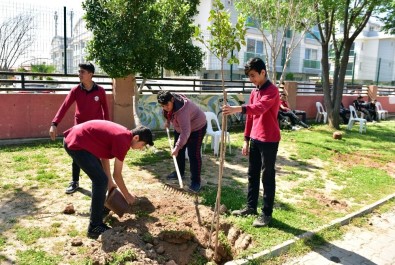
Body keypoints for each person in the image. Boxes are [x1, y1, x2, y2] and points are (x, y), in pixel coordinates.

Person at [63, 120, 154, 238]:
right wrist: (127, 196)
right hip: (77, 144)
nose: (141, 148)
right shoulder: (123, 141)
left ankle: (98, 210)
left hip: (77, 139)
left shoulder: (123, 135)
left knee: (101, 180)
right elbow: (117, 174)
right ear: (136, 138)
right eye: (143, 145)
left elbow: (104, 155)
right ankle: (94, 226)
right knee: (100, 181)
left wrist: (110, 183)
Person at [222, 57, 281, 227]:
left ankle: (266, 213)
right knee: (252, 174)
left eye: (253, 75)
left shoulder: (272, 91)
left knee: (267, 176)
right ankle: (251, 207)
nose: (251, 79)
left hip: (269, 139)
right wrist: (246, 139)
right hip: (255, 138)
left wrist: (237, 109)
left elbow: (260, 108)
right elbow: (251, 117)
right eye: (249, 76)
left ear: (263, 72)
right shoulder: (255, 91)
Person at [49, 63, 110, 194]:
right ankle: (75, 181)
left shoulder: (100, 91)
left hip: (95, 129)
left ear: (90, 74)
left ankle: (100, 182)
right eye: (79, 72)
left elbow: (105, 110)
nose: (79, 74)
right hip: (80, 129)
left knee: (95, 154)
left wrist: (108, 129)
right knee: (77, 154)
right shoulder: (75, 90)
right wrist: (54, 124)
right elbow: (64, 107)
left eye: (82, 72)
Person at [157, 91, 207, 193]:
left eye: (167, 105)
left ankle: (196, 182)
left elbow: (186, 132)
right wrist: (167, 122)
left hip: (197, 127)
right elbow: (167, 113)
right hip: (180, 127)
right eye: (162, 106)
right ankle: (179, 172)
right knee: (179, 151)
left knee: (193, 154)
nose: (165, 107)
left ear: (172, 100)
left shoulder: (182, 111)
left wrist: (178, 146)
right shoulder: (169, 103)